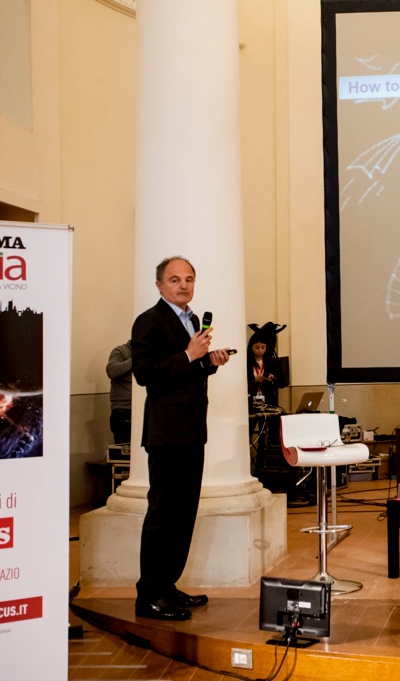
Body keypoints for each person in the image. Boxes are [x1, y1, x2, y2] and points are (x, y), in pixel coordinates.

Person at [131, 256, 230, 621]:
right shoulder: (149, 321)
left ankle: (168, 586)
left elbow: (188, 371)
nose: (183, 285)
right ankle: (149, 595)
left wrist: (209, 362)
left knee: (184, 513)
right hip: (166, 434)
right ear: (159, 285)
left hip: (191, 431)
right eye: (175, 280)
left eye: (189, 279)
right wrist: (189, 354)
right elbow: (144, 374)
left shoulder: (191, 320)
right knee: (162, 514)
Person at [246, 322, 287, 409]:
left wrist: (272, 379)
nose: (260, 350)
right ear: (251, 347)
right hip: (250, 403)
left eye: (263, 347)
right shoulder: (246, 363)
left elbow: (282, 383)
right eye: (257, 347)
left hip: (269, 403)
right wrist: (254, 381)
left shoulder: (273, 362)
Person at [105, 341, 132, 444]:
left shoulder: (153, 352)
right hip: (124, 411)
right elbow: (112, 371)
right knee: (124, 453)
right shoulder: (121, 351)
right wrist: (136, 359)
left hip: (145, 411)